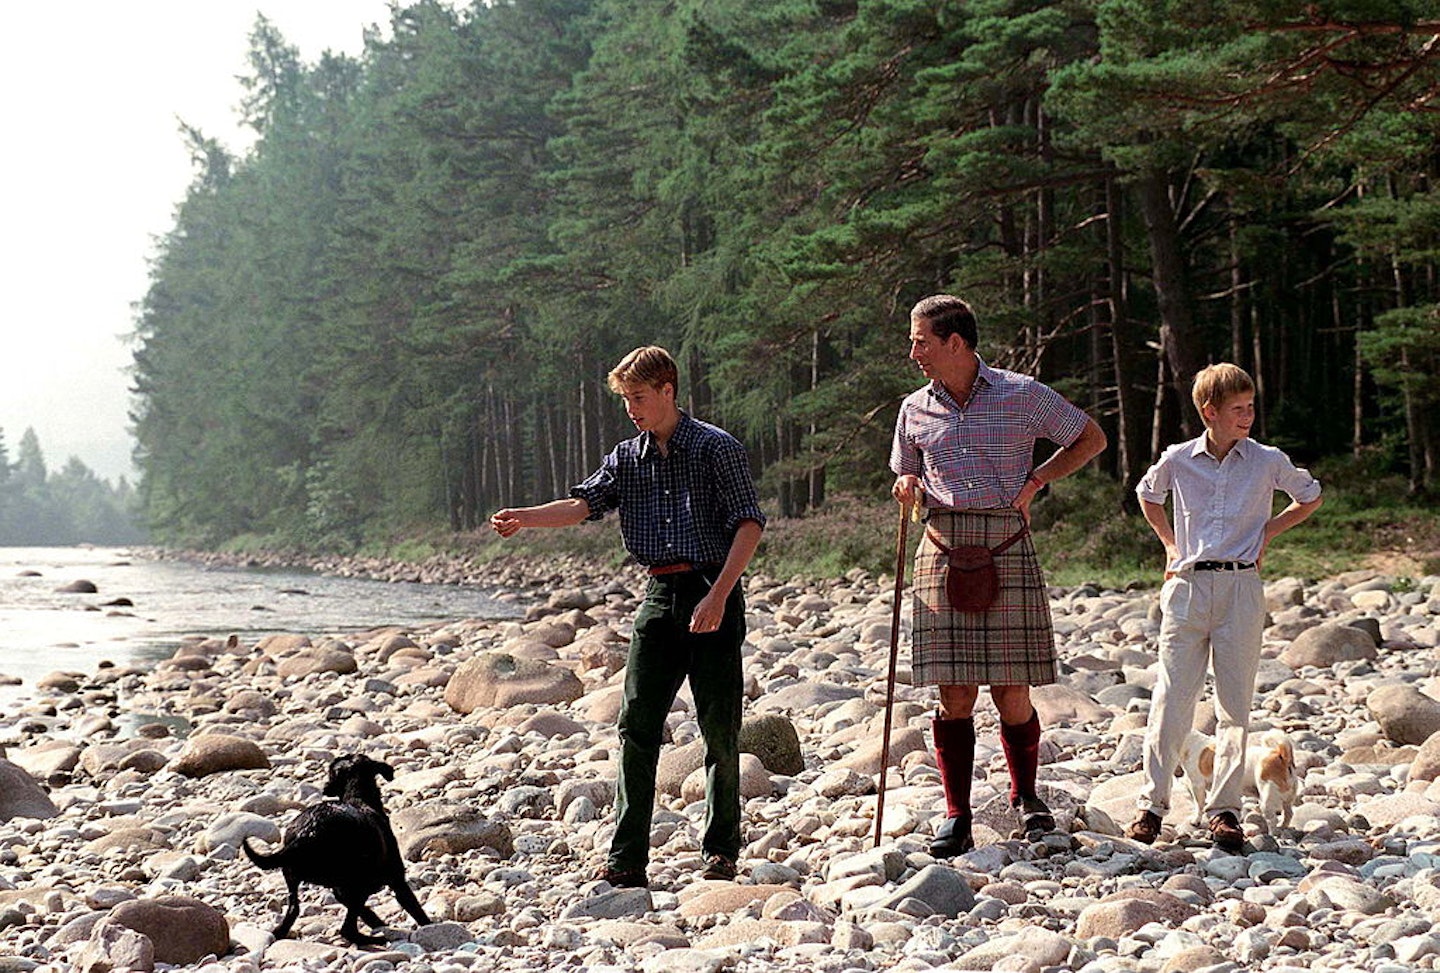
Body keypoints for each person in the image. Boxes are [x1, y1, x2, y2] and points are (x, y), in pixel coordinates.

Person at [490, 346, 765, 888]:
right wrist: (524, 517)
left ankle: (721, 850)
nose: (632, 409)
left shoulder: (716, 448)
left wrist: (719, 597)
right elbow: (582, 505)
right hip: (659, 596)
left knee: (719, 730)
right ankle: (627, 858)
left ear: (668, 390)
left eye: (639, 398)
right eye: (624, 400)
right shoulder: (627, 456)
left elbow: (749, 525)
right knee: (636, 725)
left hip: (714, 588)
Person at [890, 294, 1107, 856]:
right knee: (955, 693)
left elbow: (1091, 438)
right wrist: (907, 487)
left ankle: (1027, 799)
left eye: (921, 341)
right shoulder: (913, 407)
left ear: (955, 342)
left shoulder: (1022, 394)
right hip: (940, 545)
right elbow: (906, 473)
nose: (914, 352)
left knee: (1013, 690)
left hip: (1006, 542)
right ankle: (957, 815)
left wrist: (1035, 482)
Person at [1125, 363, 1321, 851]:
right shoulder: (1177, 459)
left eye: (1251, 407)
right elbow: (1146, 495)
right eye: (1238, 409)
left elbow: (1310, 495)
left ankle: (1225, 811)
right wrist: (1169, 545)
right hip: (1188, 586)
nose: (1248, 416)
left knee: (1235, 706)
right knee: (1172, 699)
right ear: (1209, 412)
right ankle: (1152, 805)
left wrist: (1267, 533)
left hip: (1241, 588)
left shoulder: (1267, 459)